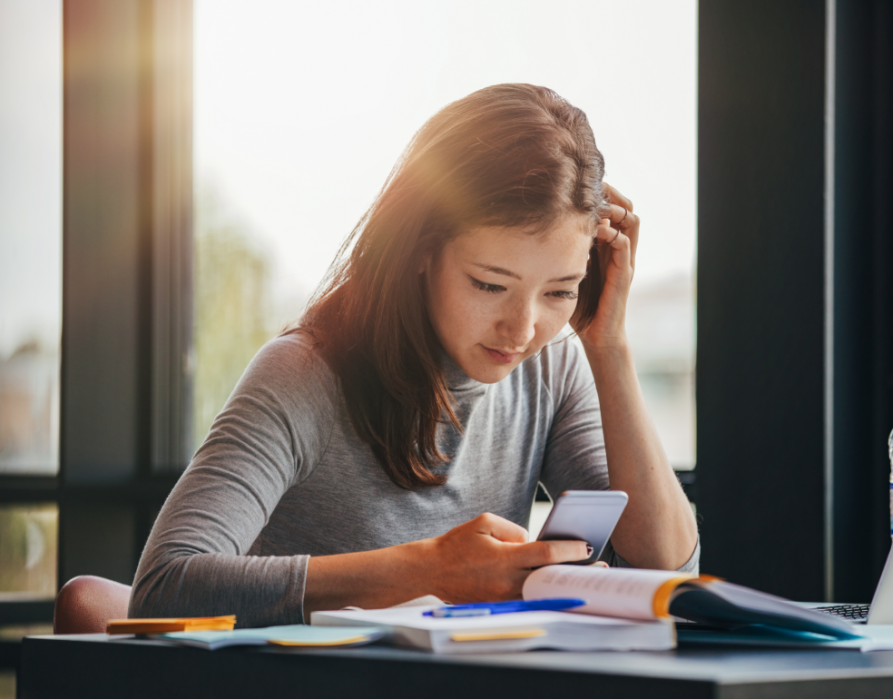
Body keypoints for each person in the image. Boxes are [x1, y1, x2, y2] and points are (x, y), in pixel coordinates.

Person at [130, 83, 699, 628]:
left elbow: (670, 569)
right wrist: (427, 572)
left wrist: (610, 347)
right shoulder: (303, 374)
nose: (523, 329)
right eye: (489, 285)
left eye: (559, 291)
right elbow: (164, 588)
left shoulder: (551, 367)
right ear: (421, 250)